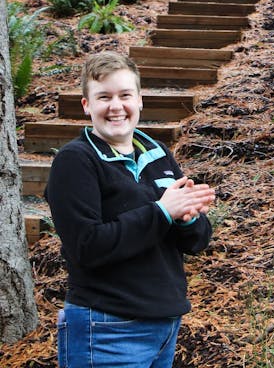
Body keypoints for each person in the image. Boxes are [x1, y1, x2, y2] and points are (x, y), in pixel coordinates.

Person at [45, 51, 215, 367]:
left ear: (139, 101)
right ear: (87, 105)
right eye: (103, 97)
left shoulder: (157, 153)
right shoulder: (75, 161)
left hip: (165, 325)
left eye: (125, 95)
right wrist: (163, 212)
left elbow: (196, 241)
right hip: (106, 329)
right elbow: (87, 246)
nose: (115, 106)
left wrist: (189, 219)